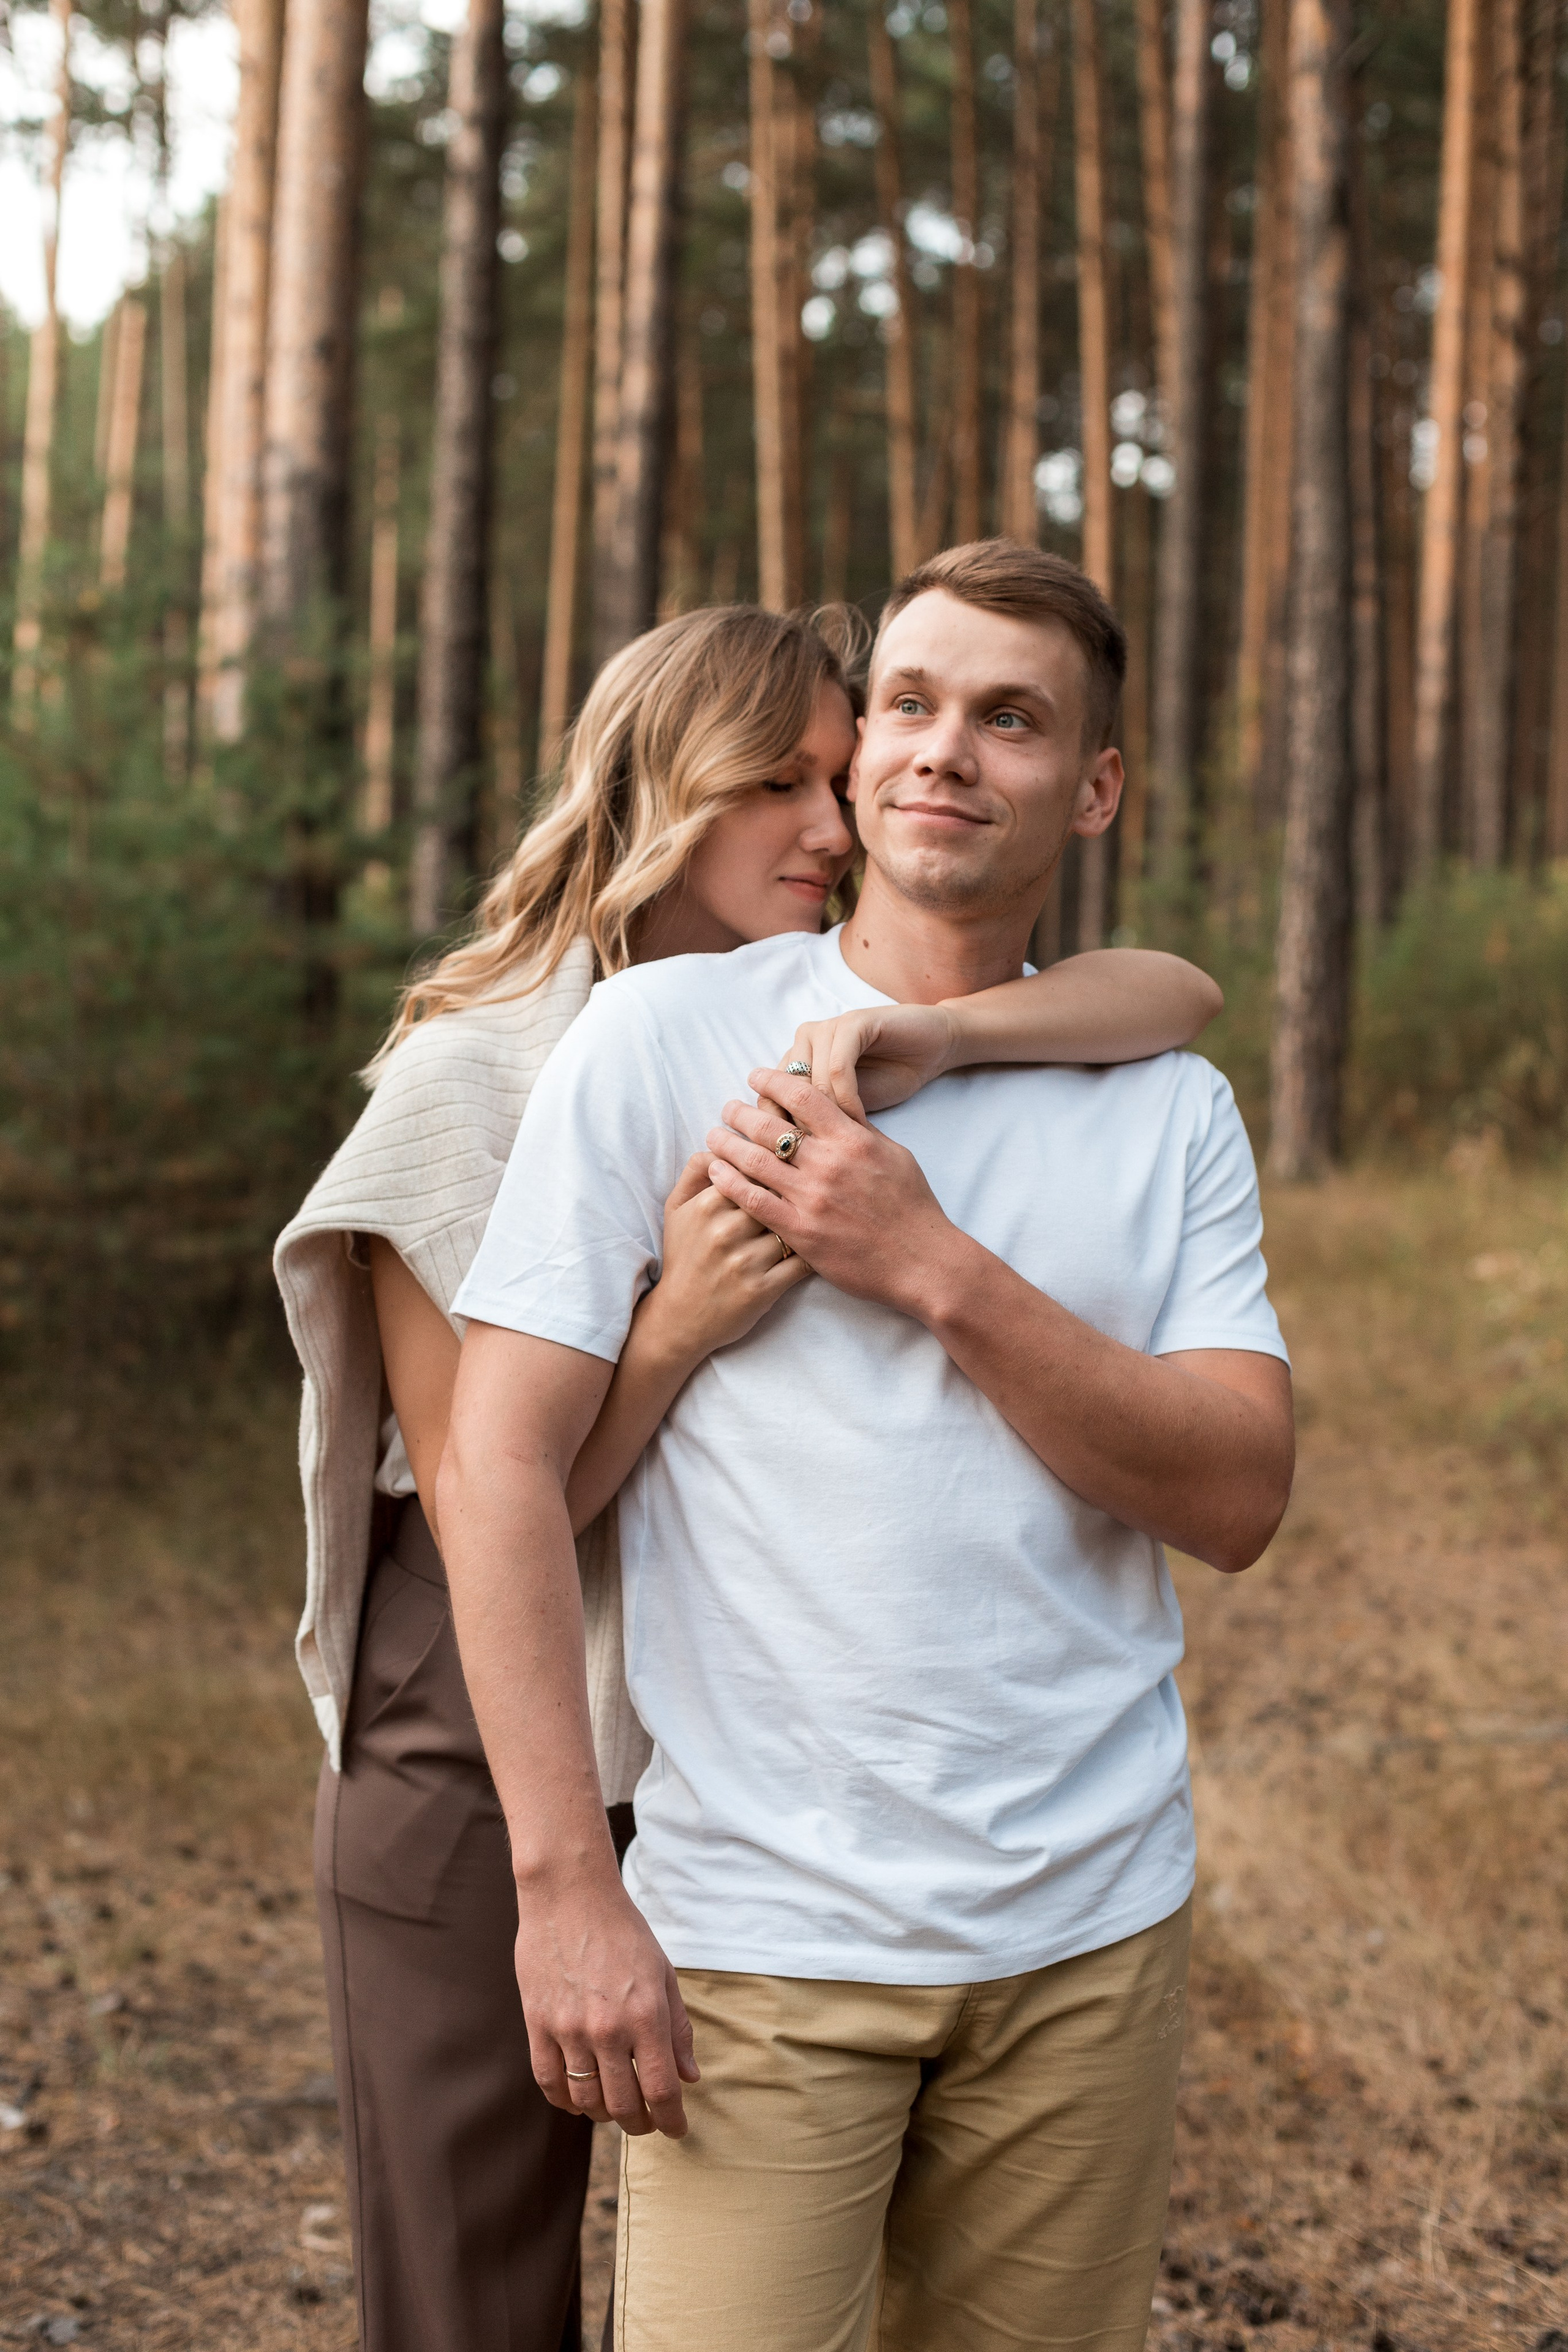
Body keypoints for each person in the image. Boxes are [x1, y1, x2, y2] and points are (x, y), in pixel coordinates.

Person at [272, 597, 1224, 2352]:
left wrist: (961, 1037)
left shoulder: (785, 1039)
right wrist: (678, 1330)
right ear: (655, 789)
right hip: (478, 1734)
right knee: (483, 2282)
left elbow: (1174, 991)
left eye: (829, 771)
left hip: (694, 1725)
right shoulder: (480, 1077)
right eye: (774, 784)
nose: (836, 821)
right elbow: (496, 1490)